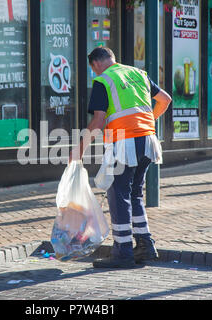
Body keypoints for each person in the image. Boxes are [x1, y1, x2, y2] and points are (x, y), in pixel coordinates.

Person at [69, 47, 172, 268]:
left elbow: (98, 122)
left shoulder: (103, 81)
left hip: (125, 143)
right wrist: (148, 122)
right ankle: (145, 245)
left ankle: (123, 252)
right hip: (148, 141)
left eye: (93, 70)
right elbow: (165, 100)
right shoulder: (138, 74)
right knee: (135, 193)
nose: (94, 74)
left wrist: (79, 150)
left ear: (95, 64)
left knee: (118, 194)